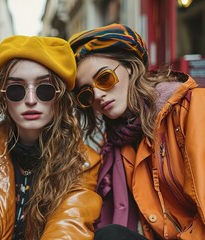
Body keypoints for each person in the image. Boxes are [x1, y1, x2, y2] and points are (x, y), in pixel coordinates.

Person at [0, 35, 102, 239]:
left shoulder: (83, 162)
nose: (31, 100)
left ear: (60, 97)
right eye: (17, 90)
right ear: (4, 98)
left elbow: (68, 227)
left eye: (45, 89)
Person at [69, 23, 205, 239]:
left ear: (130, 68)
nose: (97, 95)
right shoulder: (115, 145)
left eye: (104, 78)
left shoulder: (192, 108)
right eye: (86, 94)